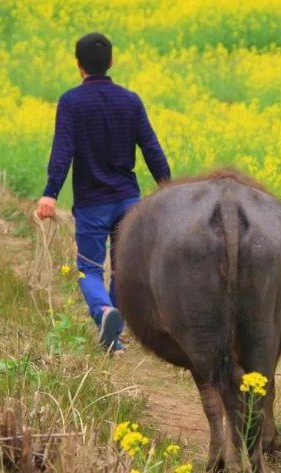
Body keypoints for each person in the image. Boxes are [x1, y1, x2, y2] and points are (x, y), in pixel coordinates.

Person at [36, 32, 171, 354]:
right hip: (128, 200)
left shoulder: (71, 102)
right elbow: (151, 148)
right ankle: (115, 335)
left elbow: (63, 150)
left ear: (78, 65)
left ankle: (103, 312)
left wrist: (50, 193)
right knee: (123, 269)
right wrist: (168, 188)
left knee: (89, 268)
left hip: (92, 203)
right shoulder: (130, 100)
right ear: (111, 62)